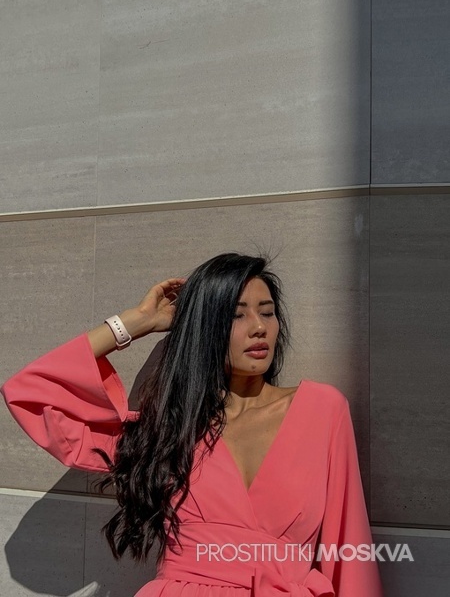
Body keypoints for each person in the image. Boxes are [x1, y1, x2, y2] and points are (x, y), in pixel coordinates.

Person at [1, 252, 384, 596]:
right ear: (205, 327)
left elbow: (351, 553)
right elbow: (28, 391)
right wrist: (135, 323)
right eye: (236, 315)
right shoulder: (168, 430)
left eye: (267, 312)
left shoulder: (322, 410)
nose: (258, 327)